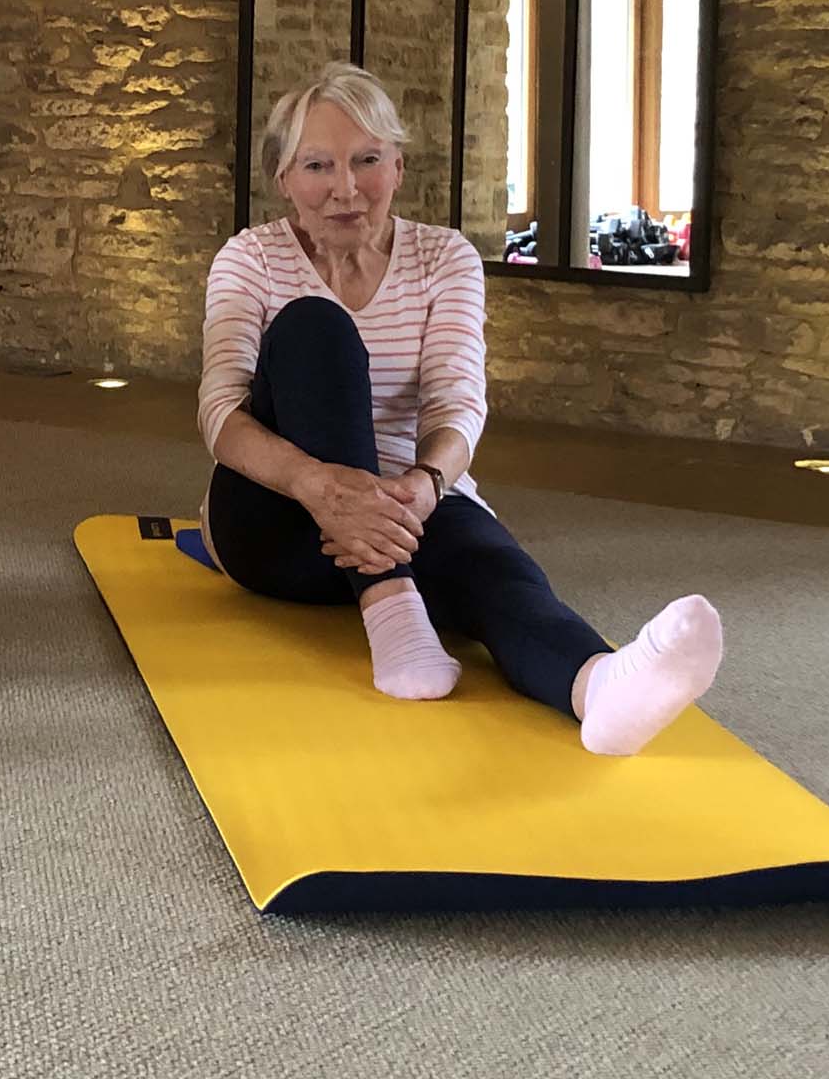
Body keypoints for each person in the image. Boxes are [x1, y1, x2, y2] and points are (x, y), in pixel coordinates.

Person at [197, 61, 722, 756]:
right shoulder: (251, 258)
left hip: (406, 503)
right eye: (318, 165)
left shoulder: (444, 258)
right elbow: (220, 414)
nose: (345, 188)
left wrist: (426, 485)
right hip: (275, 513)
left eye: (367, 160)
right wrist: (317, 486)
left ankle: (597, 687)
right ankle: (389, 604)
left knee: (493, 571)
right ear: (283, 178)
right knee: (314, 327)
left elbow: (457, 405)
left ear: (398, 166)